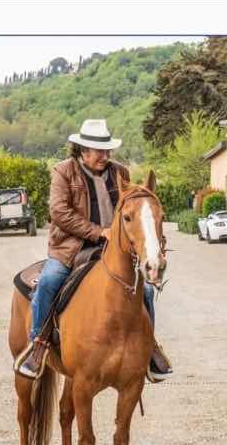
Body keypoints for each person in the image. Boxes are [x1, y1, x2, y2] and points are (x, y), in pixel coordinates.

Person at [16, 119, 173, 381]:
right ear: (82, 151)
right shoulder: (63, 171)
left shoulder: (119, 172)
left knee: (144, 289)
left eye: (107, 150)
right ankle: (38, 344)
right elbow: (59, 212)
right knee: (49, 281)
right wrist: (98, 231)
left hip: (114, 248)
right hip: (70, 248)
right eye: (99, 151)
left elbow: (133, 210)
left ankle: (150, 346)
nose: (105, 156)